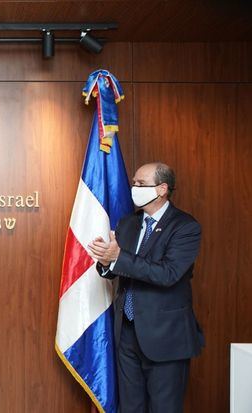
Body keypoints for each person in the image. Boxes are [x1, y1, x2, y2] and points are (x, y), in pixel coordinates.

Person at [88, 162, 204, 413]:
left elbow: (168, 274)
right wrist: (107, 262)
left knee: (164, 408)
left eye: (141, 184)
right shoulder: (127, 224)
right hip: (127, 334)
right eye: (134, 183)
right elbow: (119, 270)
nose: (134, 188)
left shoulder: (185, 227)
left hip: (166, 338)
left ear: (162, 189)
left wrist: (119, 258)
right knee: (130, 407)